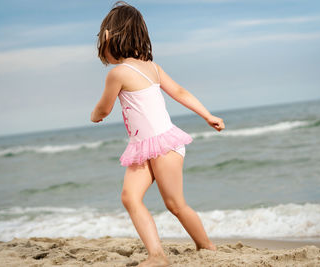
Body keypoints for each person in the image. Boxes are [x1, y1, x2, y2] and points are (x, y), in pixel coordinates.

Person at [90, 1, 225, 266]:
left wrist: (95, 115)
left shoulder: (119, 74)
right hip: (143, 147)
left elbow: (104, 108)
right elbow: (182, 92)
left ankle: (207, 247)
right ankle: (157, 255)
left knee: (174, 204)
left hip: (164, 145)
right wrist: (207, 115)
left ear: (110, 37)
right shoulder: (151, 66)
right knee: (130, 197)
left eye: (102, 36)